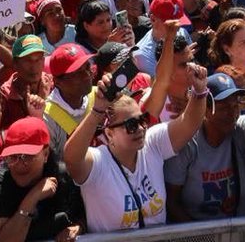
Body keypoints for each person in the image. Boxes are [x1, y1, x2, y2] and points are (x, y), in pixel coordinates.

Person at [63, 65, 209, 231]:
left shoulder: (152, 143)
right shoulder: (97, 162)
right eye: (131, 125)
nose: (140, 129)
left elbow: (189, 124)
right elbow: (71, 158)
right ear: (110, 133)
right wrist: (97, 111)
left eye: (142, 120)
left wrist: (199, 90)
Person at [163, 72, 245, 221]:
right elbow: (172, 202)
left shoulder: (240, 129)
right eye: (224, 107)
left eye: (235, 105)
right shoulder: (187, 142)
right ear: (205, 108)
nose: (232, 113)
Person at [0, 117, 84, 242]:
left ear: (45, 154)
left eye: (27, 157)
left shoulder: (64, 177)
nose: (20, 164)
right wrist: (32, 198)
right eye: (13, 157)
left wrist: (78, 228)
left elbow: (85, 216)